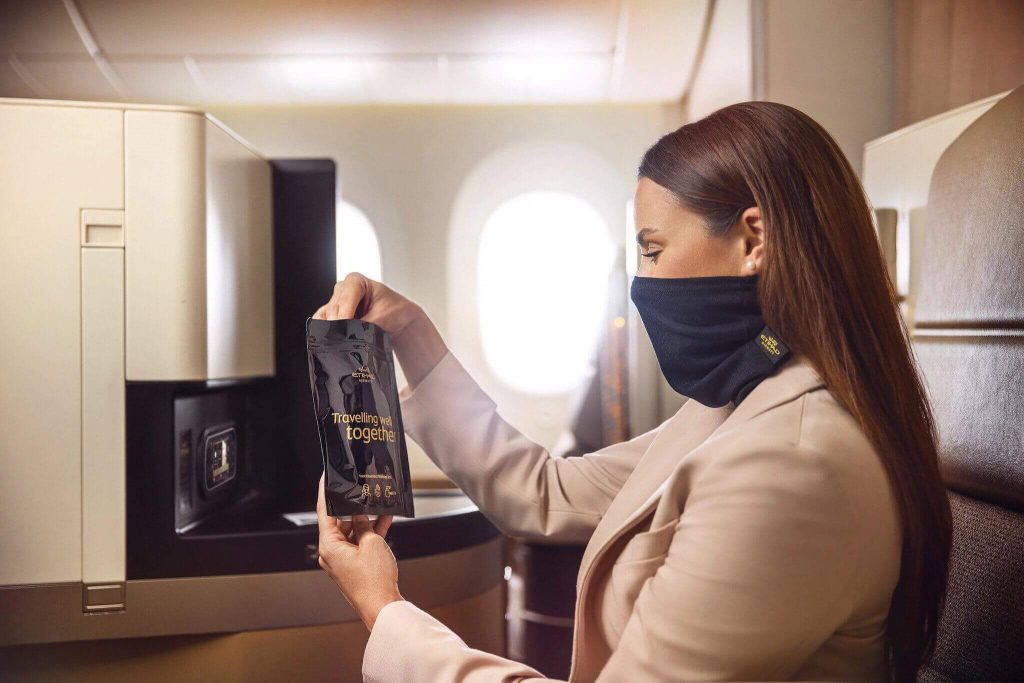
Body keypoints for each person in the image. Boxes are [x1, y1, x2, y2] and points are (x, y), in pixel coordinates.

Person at [312, 101, 952, 683]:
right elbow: (547, 492)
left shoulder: (792, 462)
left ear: (753, 240)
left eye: (652, 249)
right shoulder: (744, 402)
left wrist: (384, 610)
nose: (641, 282)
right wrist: (411, 335)